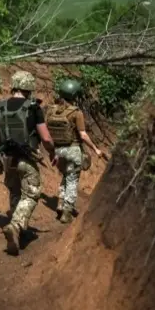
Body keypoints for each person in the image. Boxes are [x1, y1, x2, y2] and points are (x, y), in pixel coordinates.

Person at [0, 70, 57, 256]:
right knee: (32, 194)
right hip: (27, 159)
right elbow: (46, 138)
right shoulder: (33, 107)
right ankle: (16, 225)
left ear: (14, 85)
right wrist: (52, 152)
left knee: (14, 191)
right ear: (29, 87)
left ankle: (16, 227)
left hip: (8, 158)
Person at [45, 79, 105, 224]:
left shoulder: (51, 110)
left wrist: (51, 151)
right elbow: (83, 135)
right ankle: (67, 211)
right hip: (72, 150)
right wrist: (95, 149)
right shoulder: (76, 113)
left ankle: (60, 202)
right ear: (75, 95)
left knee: (65, 176)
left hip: (58, 151)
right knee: (72, 180)